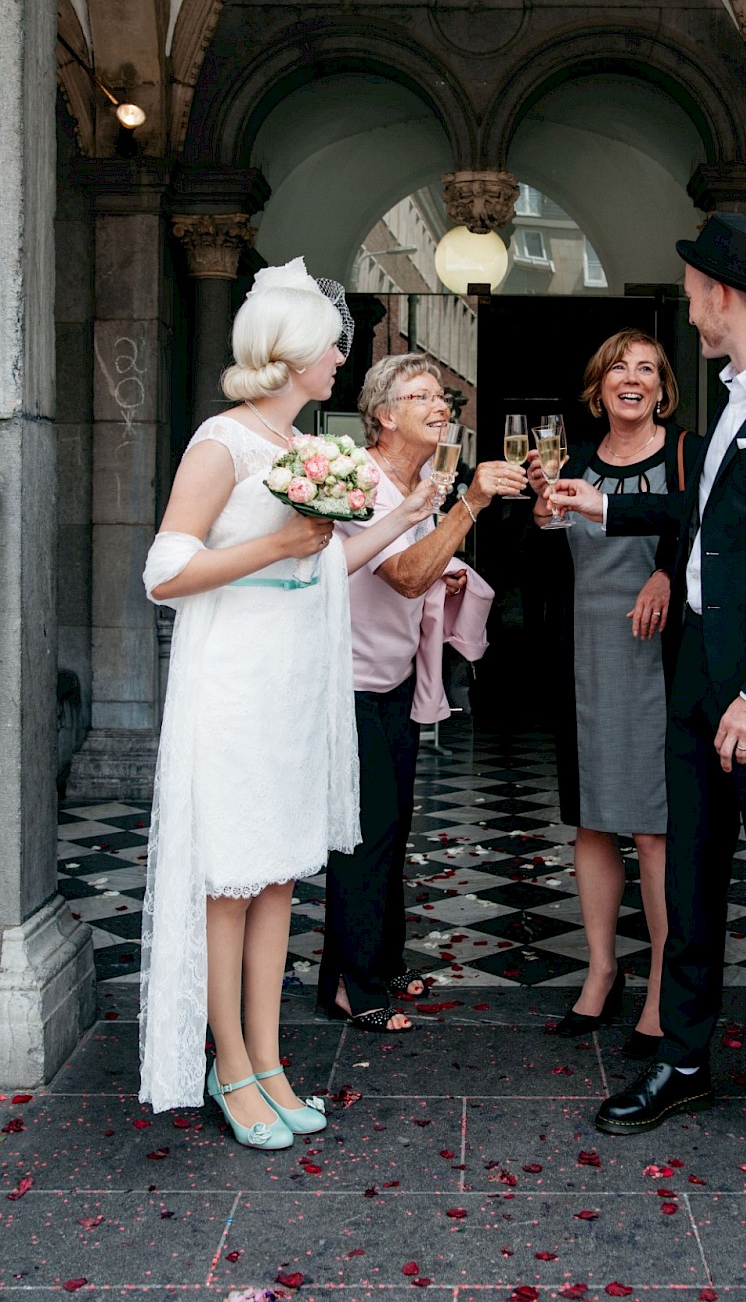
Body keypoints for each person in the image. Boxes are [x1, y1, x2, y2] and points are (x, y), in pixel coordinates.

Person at [559, 213, 746, 1190]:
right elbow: (701, 519)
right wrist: (604, 505)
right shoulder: (734, 398)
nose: (686, 303)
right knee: (688, 884)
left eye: (692, 288)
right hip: (694, 684)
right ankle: (684, 1061)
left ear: (723, 293)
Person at [139, 258, 436, 1146]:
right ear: (294, 353)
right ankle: (229, 1066)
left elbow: (323, 565)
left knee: (275, 877)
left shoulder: (302, 450)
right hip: (233, 679)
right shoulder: (220, 441)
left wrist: (399, 516)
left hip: (290, 683)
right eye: (331, 346)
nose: (343, 357)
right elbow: (165, 573)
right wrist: (276, 547)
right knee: (229, 881)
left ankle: (268, 1062)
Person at [316, 354, 524, 1031]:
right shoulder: (357, 480)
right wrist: (471, 506)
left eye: (444, 397)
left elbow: (422, 568)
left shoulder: (424, 484)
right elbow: (403, 575)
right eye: (422, 396)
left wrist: (450, 567)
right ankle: (350, 984)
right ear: (382, 414)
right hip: (345, 683)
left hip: (393, 679)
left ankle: (377, 958)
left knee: (393, 824)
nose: (441, 407)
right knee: (364, 832)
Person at [527, 330, 700, 1055]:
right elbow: (543, 555)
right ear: (597, 389)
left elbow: (705, 526)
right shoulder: (572, 463)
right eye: (618, 369)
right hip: (585, 656)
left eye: (648, 370)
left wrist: (666, 572)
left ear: (663, 389)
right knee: (592, 822)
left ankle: (663, 982)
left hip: (658, 657)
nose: (633, 379)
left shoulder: (686, 453)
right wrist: (539, 517)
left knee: (654, 830)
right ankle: (601, 972)